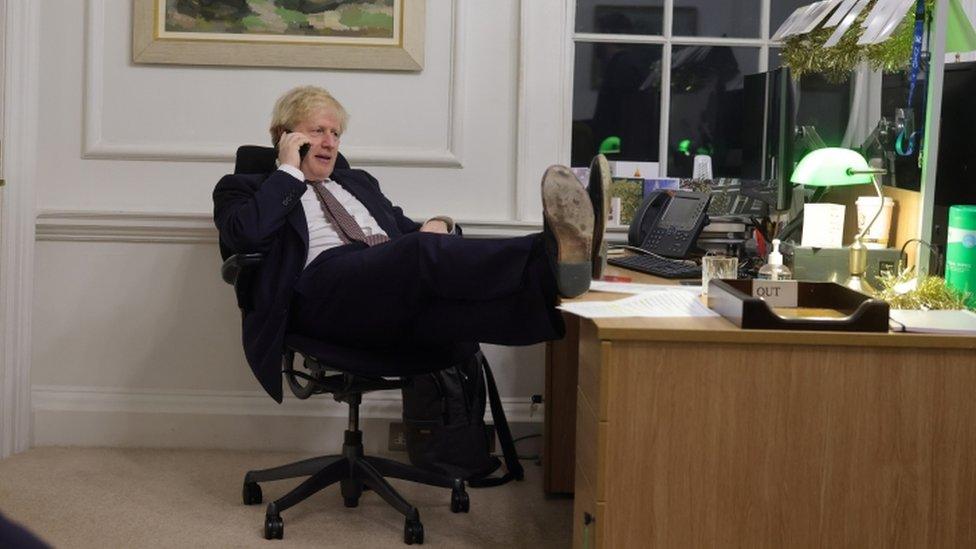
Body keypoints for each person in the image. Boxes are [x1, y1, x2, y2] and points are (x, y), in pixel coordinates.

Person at [213, 86, 607, 402]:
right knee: (416, 253)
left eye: (336, 133)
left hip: (386, 284)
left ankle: (559, 290)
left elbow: (407, 233)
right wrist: (287, 172)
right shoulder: (245, 187)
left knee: (454, 315)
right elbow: (247, 235)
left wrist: (440, 224)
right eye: (317, 131)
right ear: (286, 136)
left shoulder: (358, 183)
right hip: (318, 294)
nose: (330, 143)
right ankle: (551, 254)